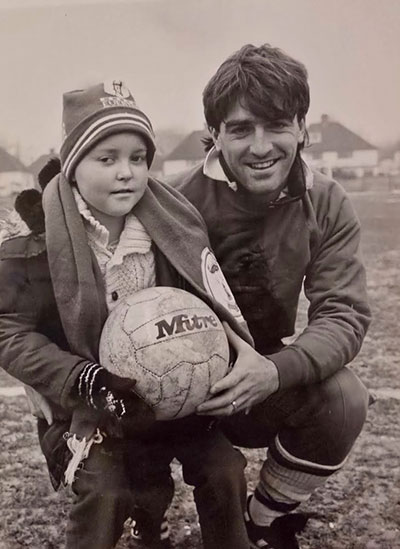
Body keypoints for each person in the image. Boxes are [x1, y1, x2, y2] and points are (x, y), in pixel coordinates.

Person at [0, 80, 253, 549]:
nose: (127, 173)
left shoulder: (170, 225)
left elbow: (205, 301)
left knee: (223, 469)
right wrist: (82, 378)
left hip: (175, 393)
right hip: (89, 401)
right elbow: (9, 331)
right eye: (107, 158)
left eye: (138, 158)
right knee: (106, 488)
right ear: (73, 166)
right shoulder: (38, 241)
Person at [167, 44, 372, 549]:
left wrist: (273, 371)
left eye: (276, 124)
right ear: (214, 135)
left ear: (302, 127)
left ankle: (264, 519)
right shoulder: (171, 202)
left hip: (260, 382)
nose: (260, 146)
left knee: (344, 400)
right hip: (174, 391)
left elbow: (343, 313)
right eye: (240, 129)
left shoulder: (325, 199)